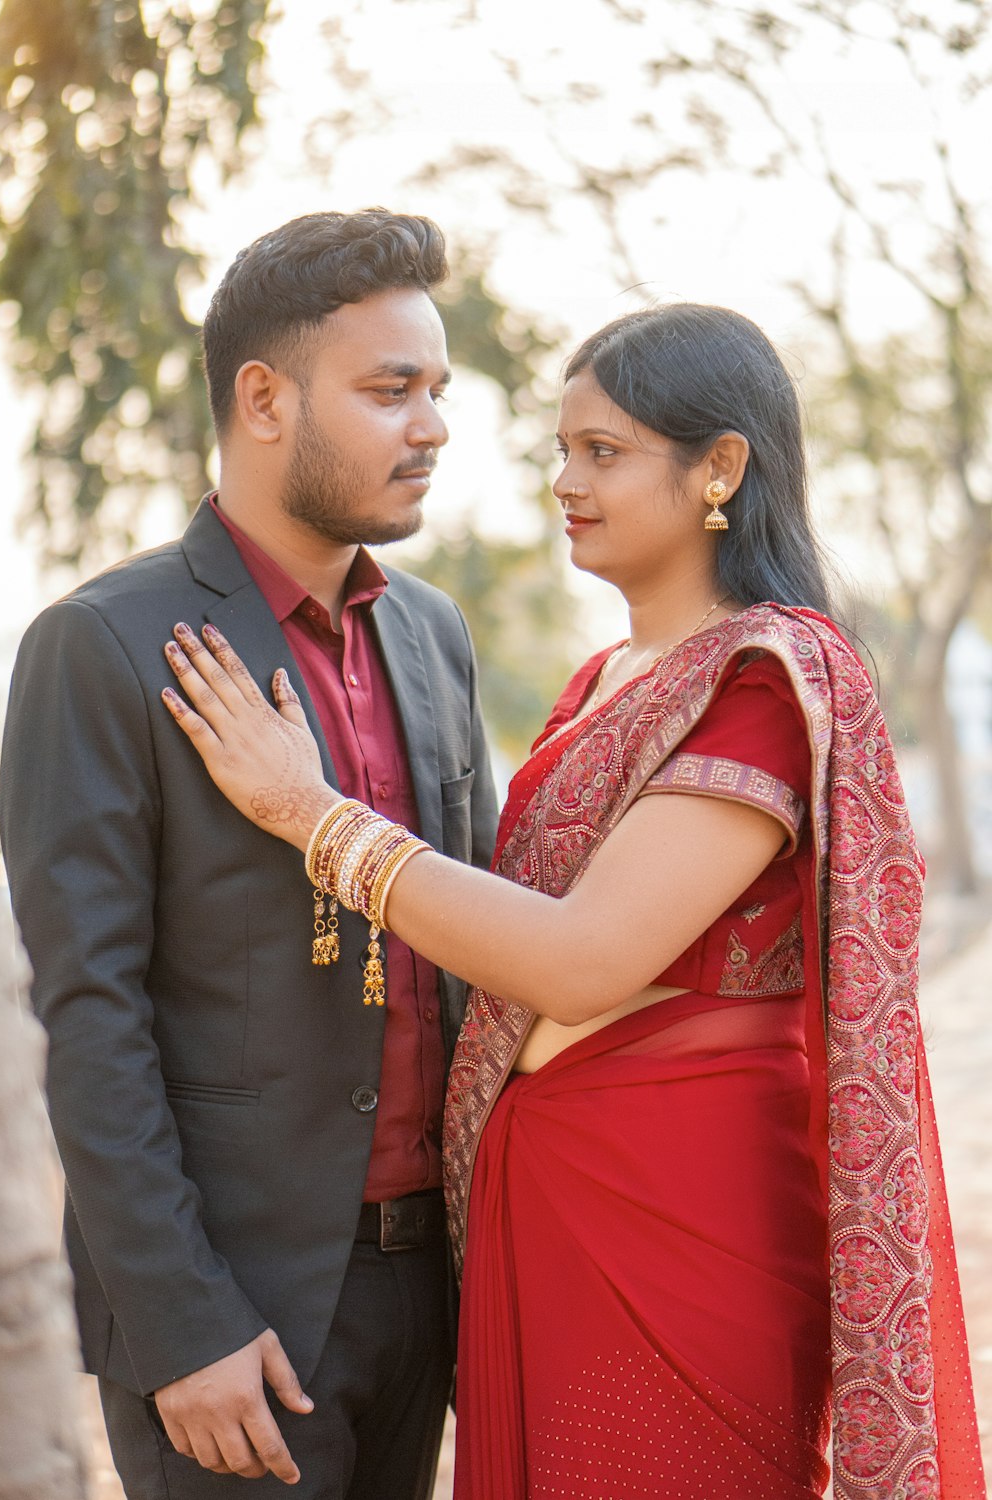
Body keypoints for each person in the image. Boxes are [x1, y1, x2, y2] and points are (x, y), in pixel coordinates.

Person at [153, 303, 983, 1499]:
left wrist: (311, 816)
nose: (564, 481)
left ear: (721, 469)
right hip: (540, 1209)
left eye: (603, 452)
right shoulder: (604, 681)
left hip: (677, 1221)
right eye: (561, 450)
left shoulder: (760, 680)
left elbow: (585, 960)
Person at [0, 209, 498, 1500]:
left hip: (429, 1298)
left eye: (436, 391)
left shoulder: (434, 636)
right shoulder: (100, 646)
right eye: (392, 390)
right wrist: (182, 1326)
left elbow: (473, 936)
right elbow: (87, 1021)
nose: (432, 425)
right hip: (232, 1323)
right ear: (263, 399)